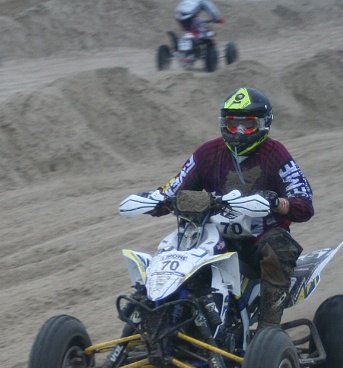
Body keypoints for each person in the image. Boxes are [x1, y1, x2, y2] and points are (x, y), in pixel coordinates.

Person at [122, 86, 314, 328]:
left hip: (260, 239)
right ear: (224, 124)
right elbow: (175, 188)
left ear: (264, 125)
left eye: (248, 125)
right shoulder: (207, 153)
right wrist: (154, 201)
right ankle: (154, 317)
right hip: (213, 235)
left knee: (279, 249)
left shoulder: (276, 154)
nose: (240, 132)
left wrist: (277, 202)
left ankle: (268, 330)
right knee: (172, 249)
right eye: (233, 125)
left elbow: (304, 203)